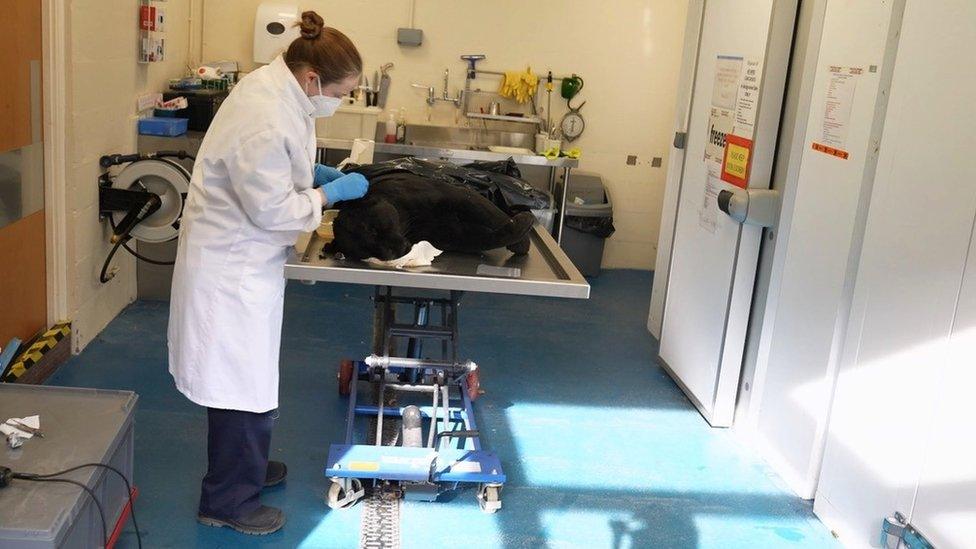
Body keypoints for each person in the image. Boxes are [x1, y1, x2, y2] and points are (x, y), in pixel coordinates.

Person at [167, 11, 366, 535]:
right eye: (340, 93)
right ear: (312, 79)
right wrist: (327, 193)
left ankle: (243, 470)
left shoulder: (279, 91)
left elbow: (278, 164)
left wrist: (312, 174)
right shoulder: (265, 111)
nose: (337, 102)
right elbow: (273, 209)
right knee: (240, 383)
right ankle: (228, 501)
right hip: (230, 267)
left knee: (248, 378)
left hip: (245, 260)